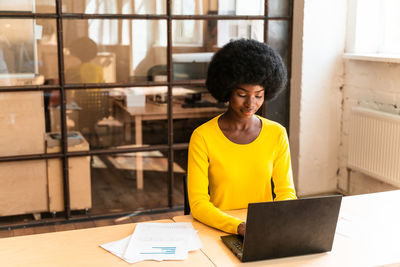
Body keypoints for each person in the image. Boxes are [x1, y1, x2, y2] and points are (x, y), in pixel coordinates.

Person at [187, 39, 297, 236]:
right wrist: (238, 227)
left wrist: (276, 220)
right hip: (217, 228)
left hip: (263, 229)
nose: (250, 103)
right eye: (241, 94)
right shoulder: (203, 136)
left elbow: (286, 192)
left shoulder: (277, 133)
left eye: (258, 95)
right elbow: (198, 204)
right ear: (227, 91)